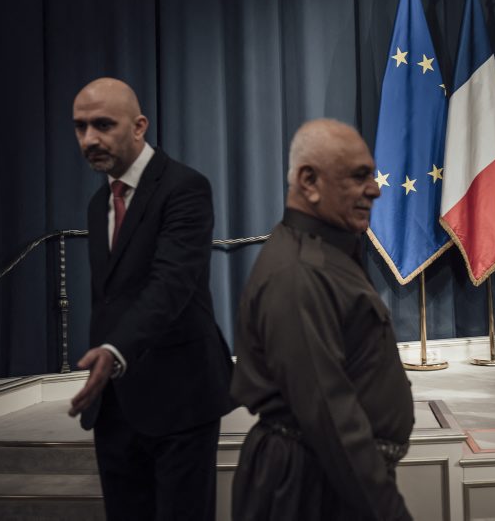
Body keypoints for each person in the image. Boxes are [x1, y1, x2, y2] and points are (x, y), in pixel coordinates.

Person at [230, 118, 414, 520]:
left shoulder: (325, 253)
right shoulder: (299, 274)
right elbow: (331, 418)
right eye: (358, 177)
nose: (375, 189)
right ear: (309, 182)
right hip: (309, 486)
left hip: (324, 478)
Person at [68, 77, 234, 520]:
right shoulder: (97, 204)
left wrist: (113, 350)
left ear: (139, 126)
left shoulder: (185, 187)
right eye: (80, 127)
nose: (89, 139)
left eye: (103, 124)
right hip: (114, 404)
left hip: (180, 397)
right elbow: (112, 299)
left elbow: (171, 285)